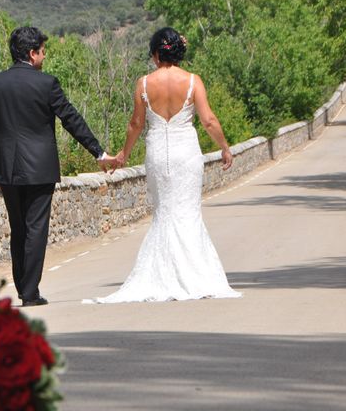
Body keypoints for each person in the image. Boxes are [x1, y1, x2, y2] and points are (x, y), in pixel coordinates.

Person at [87, 27, 241, 303]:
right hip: (186, 153)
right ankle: (195, 276)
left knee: (164, 212)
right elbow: (208, 121)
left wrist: (123, 153)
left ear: (157, 53)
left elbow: (136, 124)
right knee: (187, 211)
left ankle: (162, 275)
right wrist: (224, 148)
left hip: (158, 153)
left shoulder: (144, 84)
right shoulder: (193, 81)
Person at [0, 26, 114, 307]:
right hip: (40, 168)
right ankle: (30, 293)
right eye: (42, 51)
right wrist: (98, 151)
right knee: (36, 228)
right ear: (32, 54)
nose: (44, 56)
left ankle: (23, 287)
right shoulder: (46, 83)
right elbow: (71, 119)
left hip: (7, 168)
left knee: (18, 228)